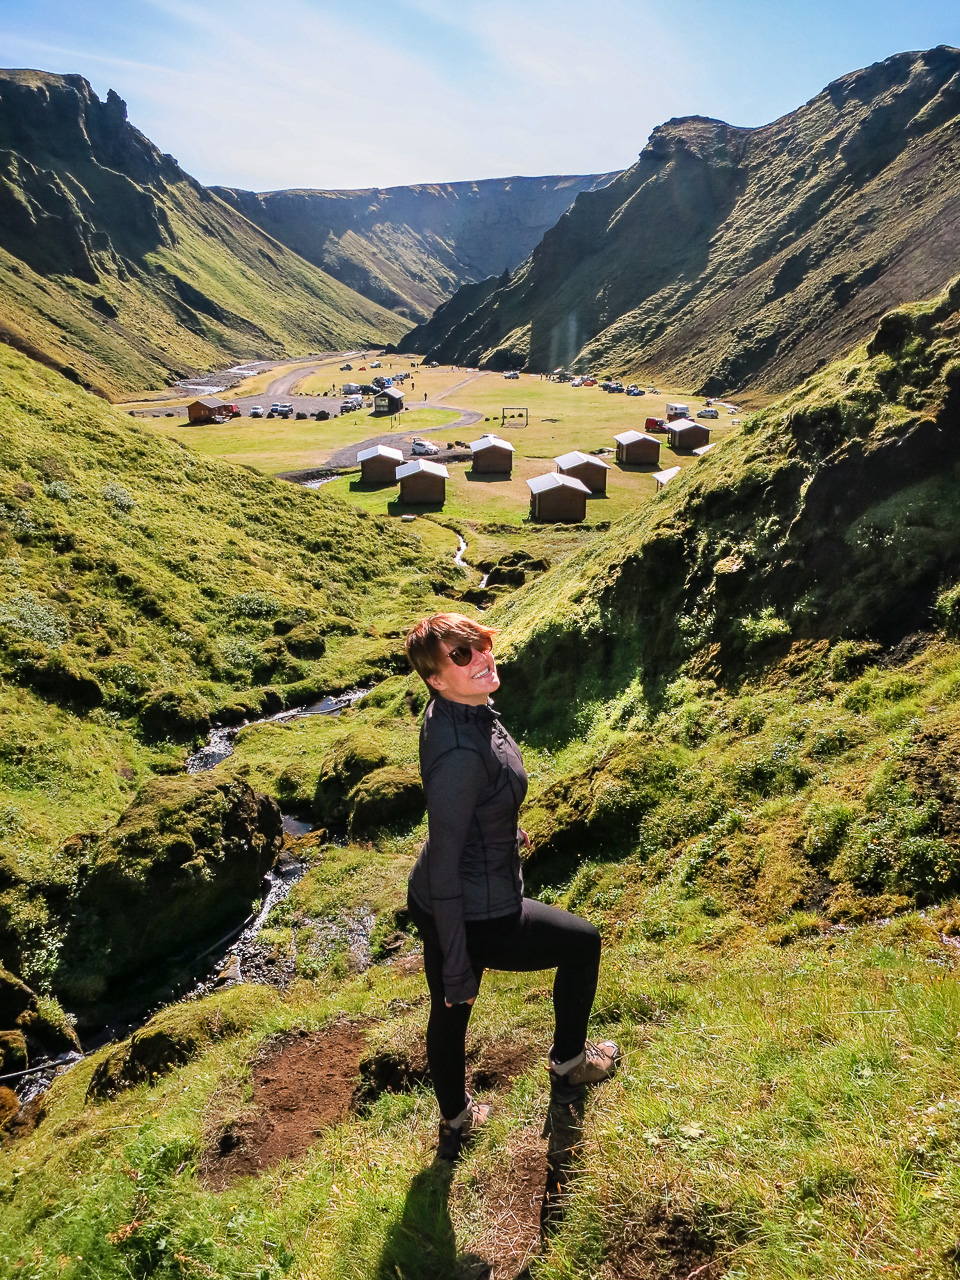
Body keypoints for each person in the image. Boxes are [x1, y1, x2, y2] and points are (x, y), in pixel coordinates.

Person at [404, 613, 619, 1161]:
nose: (480, 658)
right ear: (435, 678)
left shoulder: (469, 709)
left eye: (479, 646)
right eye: (461, 655)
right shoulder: (456, 752)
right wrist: (457, 959)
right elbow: (450, 860)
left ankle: (454, 1123)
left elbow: (476, 798)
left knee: (449, 1013)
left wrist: (501, 821)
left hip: (448, 891)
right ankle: (570, 1068)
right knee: (581, 943)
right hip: (472, 908)